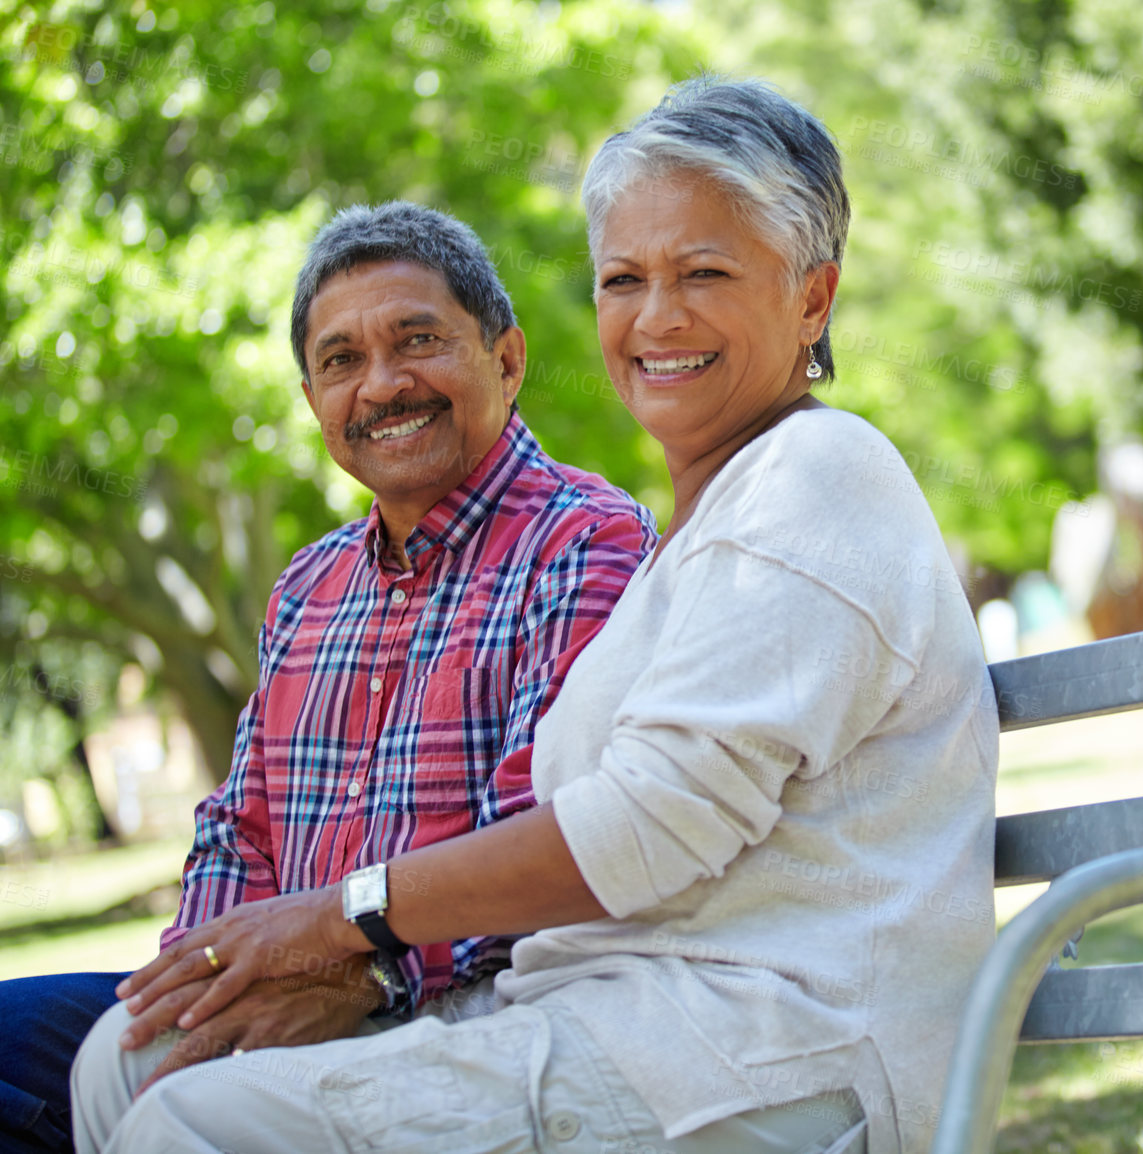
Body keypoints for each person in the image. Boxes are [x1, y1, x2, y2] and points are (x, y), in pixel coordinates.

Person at [72, 77, 998, 1154]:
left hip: (762, 1053)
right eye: (624, 278)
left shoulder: (815, 477)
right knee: (134, 1064)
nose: (657, 316)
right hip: (611, 1023)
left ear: (811, 298)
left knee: (194, 1124)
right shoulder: (703, 538)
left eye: (704, 272)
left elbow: (641, 829)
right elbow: (250, 820)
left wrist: (340, 918)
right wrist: (233, 961)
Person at [0, 202, 653, 1154]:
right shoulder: (310, 583)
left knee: (139, 1084)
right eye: (340, 360)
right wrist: (218, 975)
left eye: (417, 339)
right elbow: (242, 822)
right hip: (277, 980)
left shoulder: (587, 545)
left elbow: (547, 845)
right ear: (313, 401)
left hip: (453, 1004)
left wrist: (364, 970)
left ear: (507, 361)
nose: (382, 385)